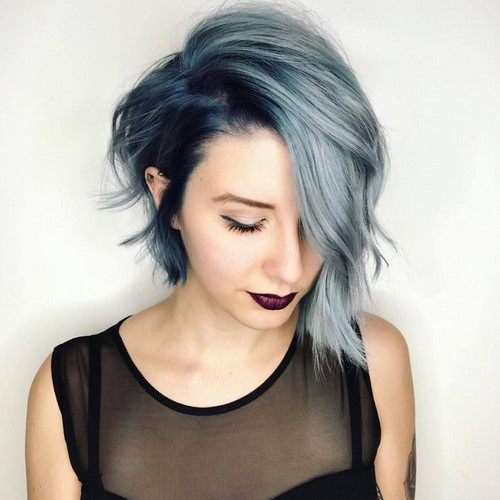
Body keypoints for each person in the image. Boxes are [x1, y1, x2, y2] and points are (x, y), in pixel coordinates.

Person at [25, 2, 415, 499]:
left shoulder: (373, 364)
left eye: (317, 223)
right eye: (245, 223)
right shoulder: (75, 392)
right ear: (166, 199)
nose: (291, 268)